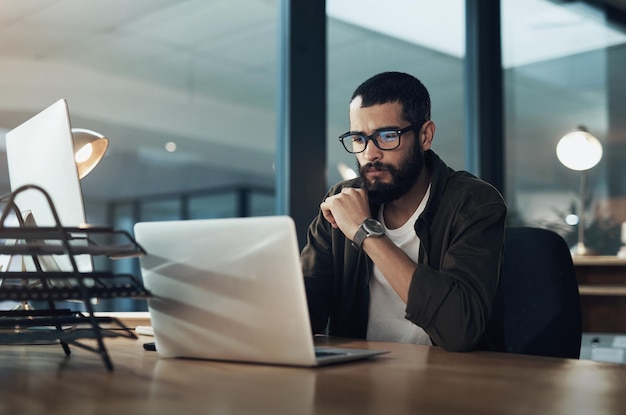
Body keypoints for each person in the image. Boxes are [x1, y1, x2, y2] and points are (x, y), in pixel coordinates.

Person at [301, 71, 507, 352]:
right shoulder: (343, 201)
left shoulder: (473, 203)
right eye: (359, 139)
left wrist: (366, 233)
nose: (370, 154)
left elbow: (460, 328)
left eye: (387, 136)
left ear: (425, 136)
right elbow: (303, 312)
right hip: (356, 378)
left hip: (447, 382)